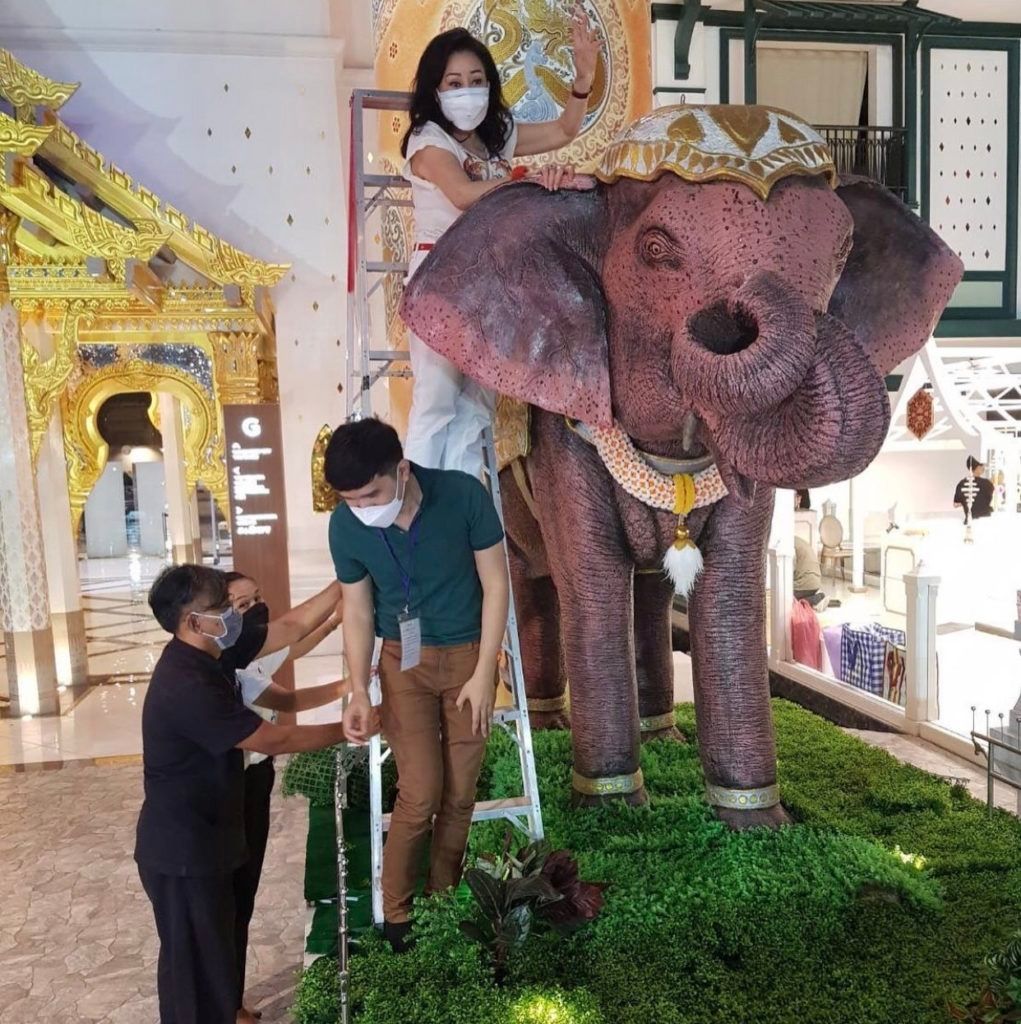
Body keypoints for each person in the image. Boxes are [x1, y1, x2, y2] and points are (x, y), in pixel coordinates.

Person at [135, 565, 377, 1024]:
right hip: (182, 850)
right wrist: (353, 728)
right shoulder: (186, 683)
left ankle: (230, 1009)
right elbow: (273, 739)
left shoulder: (216, 650)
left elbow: (292, 627)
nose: (233, 616)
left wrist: (348, 573)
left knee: (220, 943)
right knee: (192, 972)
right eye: (222, 608)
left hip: (214, 833)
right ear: (193, 621)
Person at [324, 418, 509, 953]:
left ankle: (442, 898)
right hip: (403, 664)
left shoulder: (463, 496)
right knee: (420, 790)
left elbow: (496, 584)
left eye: (370, 495)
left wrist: (484, 673)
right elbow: (357, 610)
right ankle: (397, 914)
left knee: (460, 792)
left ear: (401, 470)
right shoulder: (346, 525)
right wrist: (359, 690)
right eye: (350, 500)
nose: (362, 508)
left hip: (469, 657)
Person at [401, 19, 600, 477]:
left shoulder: (496, 136)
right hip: (441, 277)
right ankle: (424, 506)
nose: (467, 91)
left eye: (476, 81)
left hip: (492, 278)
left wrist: (583, 78)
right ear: (435, 90)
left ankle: (466, 505)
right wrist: (526, 181)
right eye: (454, 83)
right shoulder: (428, 141)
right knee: (436, 402)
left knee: (476, 407)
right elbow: (462, 194)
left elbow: (564, 130)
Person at [224, 571, 350, 1024]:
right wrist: (349, 703)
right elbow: (286, 714)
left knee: (244, 894)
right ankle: (227, 1003)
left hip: (256, 782)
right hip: (234, 790)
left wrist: (334, 623)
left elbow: (292, 647)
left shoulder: (252, 657)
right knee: (233, 899)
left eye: (258, 598)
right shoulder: (232, 667)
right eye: (242, 605)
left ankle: (232, 999)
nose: (256, 609)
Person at [953, 455, 995, 521]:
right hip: (985, 520)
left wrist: (965, 502)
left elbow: (955, 504)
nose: (983, 468)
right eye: (981, 466)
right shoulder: (987, 484)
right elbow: (991, 498)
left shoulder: (961, 484)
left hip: (970, 520)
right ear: (977, 467)